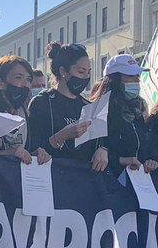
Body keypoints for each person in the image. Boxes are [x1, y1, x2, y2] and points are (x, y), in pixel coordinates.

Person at [26, 43, 108, 172]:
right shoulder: (42, 103)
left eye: (88, 72)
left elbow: (101, 142)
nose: (86, 77)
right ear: (63, 71)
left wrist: (103, 150)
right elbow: (32, 148)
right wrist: (62, 136)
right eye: (81, 72)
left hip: (84, 180)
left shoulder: (89, 106)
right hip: (54, 178)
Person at [0, 54, 49, 165]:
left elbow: (26, 149)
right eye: (18, 77)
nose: (25, 85)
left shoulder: (24, 114)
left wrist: (36, 153)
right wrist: (6, 153)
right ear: (1, 83)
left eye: (28, 79)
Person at [88, 54, 155, 177]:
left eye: (137, 76)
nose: (137, 80)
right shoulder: (99, 110)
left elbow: (142, 146)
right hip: (108, 181)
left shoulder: (137, 110)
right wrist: (122, 160)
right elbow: (91, 152)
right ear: (115, 79)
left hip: (136, 180)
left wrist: (150, 160)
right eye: (130, 75)